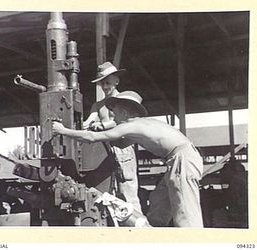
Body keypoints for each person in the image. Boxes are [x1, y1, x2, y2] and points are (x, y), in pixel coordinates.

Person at [52, 91, 204, 227]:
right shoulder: (142, 125)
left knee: (186, 213)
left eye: (115, 114)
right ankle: (154, 238)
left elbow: (92, 138)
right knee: (159, 204)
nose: (114, 118)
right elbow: (120, 143)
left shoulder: (131, 126)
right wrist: (101, 130)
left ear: (124, 113)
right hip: (178, 160)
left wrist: (63, 131)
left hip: (182, 160)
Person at [82, 61, 142, 213]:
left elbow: (122, 122)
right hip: (106, 152)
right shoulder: (98, 105)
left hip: (123, 150)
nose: (105, 87)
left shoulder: (125, 101)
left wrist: (102, 126)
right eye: (102, 83)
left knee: (128, 192)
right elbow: (88, 122)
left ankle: (139, 229)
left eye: (108, 82)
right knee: (110, 192)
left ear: (117, 81)